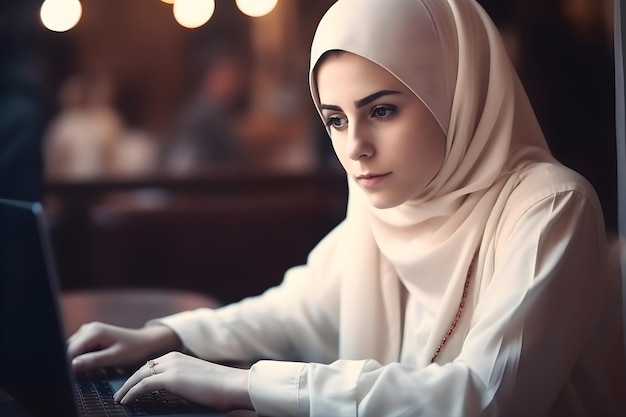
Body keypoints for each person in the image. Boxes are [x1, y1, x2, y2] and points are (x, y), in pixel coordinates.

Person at [67, 0, 626, 415]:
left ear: (454, 92)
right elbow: (300, 309)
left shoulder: (551, 207)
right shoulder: (386, 200)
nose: (354, 147)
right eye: (335, 119)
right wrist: (168, 335)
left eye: (381, 111)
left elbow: (482, 398)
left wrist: (243, 385)